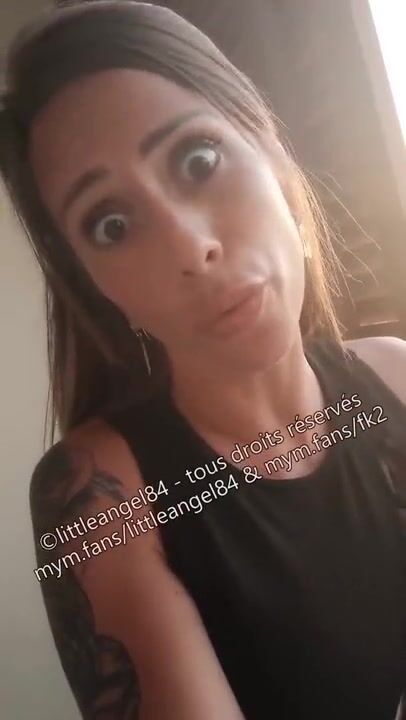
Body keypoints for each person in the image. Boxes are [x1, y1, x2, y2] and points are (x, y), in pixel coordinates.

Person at [1, 1, 405, 718]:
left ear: (273, 155)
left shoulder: (395, 376)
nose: (191, 248)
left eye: (198, 160)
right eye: (112, 225)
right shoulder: (98, 498)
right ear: (99, 289)